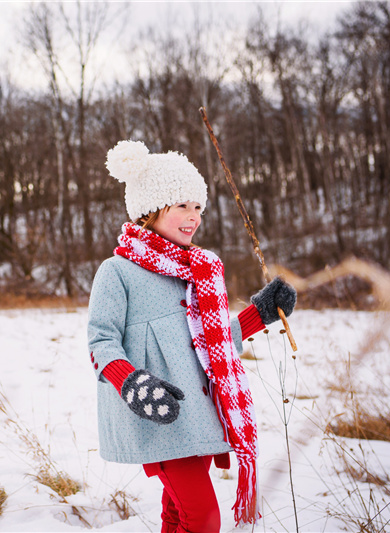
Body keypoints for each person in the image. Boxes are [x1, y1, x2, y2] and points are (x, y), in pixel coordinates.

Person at [87, 140, 296, 533]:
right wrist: (132, 383)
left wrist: (260, 314)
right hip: (158, 414)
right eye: (182, 205)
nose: (193, 216)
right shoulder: (116, 272)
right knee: (203, 519)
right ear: (151, 208)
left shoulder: (196, 270)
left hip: (199, 413)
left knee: (178, 515)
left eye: (198, 207)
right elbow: (101, 341)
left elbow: (209, 344)